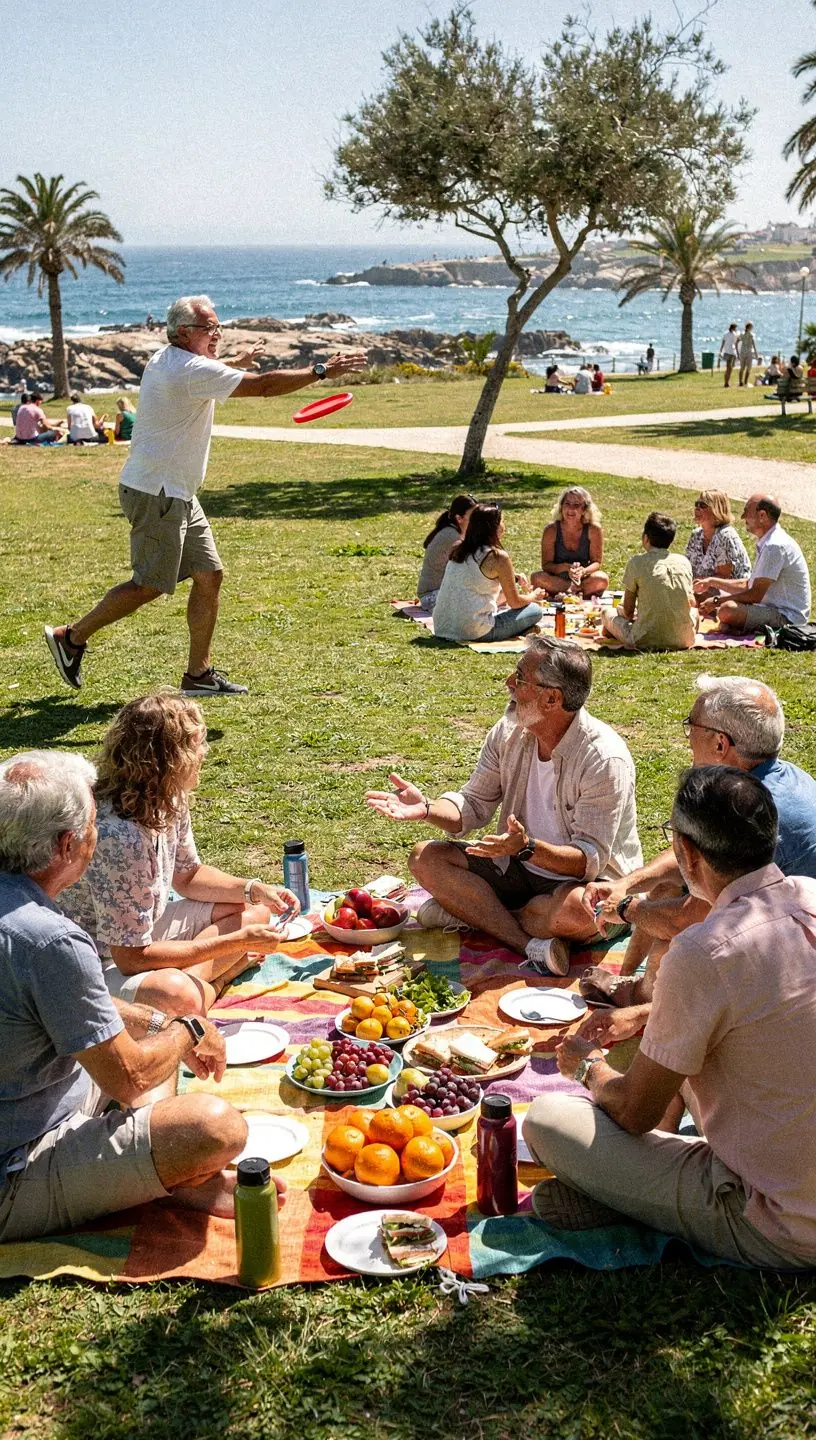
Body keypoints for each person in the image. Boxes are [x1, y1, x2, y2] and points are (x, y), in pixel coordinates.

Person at [523, 766, 816, 1271]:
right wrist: (642, 1013)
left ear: (688, 854)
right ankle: (629, 1190)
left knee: (549, 1121)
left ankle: (628, 1199)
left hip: (779, 1220)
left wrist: (585, 1065)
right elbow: (765, 1005)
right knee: (668, 1063)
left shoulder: (701, 952)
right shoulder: (809, 893)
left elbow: (636, 1112)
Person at [0, 750, 282, 1244]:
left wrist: (156, 1024)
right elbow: (130, 1080)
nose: (98, 835)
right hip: (17, 1167)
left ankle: (150, 1171)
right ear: (68, 845)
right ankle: (164, 1179)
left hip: (35, 1098)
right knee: (213, 1127)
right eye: (92, 825)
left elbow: (69, 1010)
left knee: (159, 1020)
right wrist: (188, 1030)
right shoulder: (49, 940)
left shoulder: (23, 919)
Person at [43, 294, 366, 696]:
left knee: (209, 575)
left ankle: (198, 674)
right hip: (158, 492)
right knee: (149, 586)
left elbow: (208, 373)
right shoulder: (190, 369)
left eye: (218, 326)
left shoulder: (168, 359)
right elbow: (264, 387)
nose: (217, 334)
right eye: (208, 328)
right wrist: (321, 370)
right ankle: (70, 638)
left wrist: (234, 363)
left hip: (174, 490)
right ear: (183, 333)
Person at [365, 637, 642, 976]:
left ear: (552, 697)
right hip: (516, 868)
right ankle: (527, 942)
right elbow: (473, 805)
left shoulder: (604, 759)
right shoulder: (510, 731)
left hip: (587, 883)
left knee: (580, 913)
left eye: (520, 678)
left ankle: (476, 912)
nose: (509, 683)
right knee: (427, 858)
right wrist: (425, 808)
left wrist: (526, 848)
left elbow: (586, 861)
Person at [581, 674, 816, 1016]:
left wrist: (626, 908)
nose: (688, 734)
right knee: (666, 890)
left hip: (791, 965)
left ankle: (648, 1004)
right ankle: (632, 985)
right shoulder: (775, 779)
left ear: (720, 744)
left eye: (692, 724)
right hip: (789, 929)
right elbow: (690, 854)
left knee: (677, 932)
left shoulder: (744, 810)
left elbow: (689, 918)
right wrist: (627, 884)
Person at [59, 693, 300, 1016]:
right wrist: (234, 945)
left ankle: (196, 985)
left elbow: (188, 877)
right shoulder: (120, 836)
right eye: (197, 744)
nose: (206, 751)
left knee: (254, 911)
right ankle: (213, 985)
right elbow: (131, 959)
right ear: (170, 759)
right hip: (97, 962)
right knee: (177, 994)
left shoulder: (169, 797)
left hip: (139, 934)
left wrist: (254, 889)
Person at [431, 502, 545, 644]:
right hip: (474, 631)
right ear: (494, 527)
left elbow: (474, 577)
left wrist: (513, 578)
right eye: (502, 522)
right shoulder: (498, 557)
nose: (504, 526)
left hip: (442, 627)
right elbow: (515, 602)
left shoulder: (459, 548)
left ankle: (522, 629)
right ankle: (523, 629)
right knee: (535, 610)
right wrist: (533, 596)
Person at [696, 494, 811, 632]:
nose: (742, 517)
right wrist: (712, 581)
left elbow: (755, 594)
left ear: (762, 516)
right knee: (723, 604)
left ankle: (737, 626)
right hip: (770, 608)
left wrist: (717, 601)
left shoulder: (774, 546)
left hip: (787, 617)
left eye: (746, 512)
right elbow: (749, 585)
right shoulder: (768, 542)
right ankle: (735, 626)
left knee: (727, 609)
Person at [602, 512, 696, 651]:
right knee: (695, 613)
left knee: (606, 613)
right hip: (684, 640)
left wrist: (619, 610)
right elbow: (691, 602)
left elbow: (628, 611)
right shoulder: (683, 562)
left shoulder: (637, 563)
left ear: (646, 538)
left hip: (643, 640)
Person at [531, 486, 609, 599]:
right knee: (536, 578)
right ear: (561, 507)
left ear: (584, 510)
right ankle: (574, 591)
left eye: (576, 505)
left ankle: (567, 592)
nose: (571, 509)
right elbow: (546, 565)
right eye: (567, 504)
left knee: (602, 579)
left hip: (583, 578)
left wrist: (583, 571)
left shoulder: (594, 530)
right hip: (558, 579)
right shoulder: (551, 530)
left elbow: (596, 562)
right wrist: (566, 568)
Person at [417, 493, 477, 611]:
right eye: (474, 517)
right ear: (459, 518)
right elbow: (475, 567)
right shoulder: (452, 537)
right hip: (432, 597)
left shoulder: (453, 531)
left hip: (440, 593)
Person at [684, 490, 751, 582]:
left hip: (728, 592)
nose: (697, 508)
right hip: (700, 589)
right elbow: (686, 567)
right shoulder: (696, 535)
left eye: (703, 505)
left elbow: (723, 578)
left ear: (717, 510)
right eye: (697, 504)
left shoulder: (726, 536)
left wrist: (693, 584)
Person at [737, 322, 759, 387]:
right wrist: (756, 353)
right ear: (750, 327)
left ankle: (740, 382)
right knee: (748, 368)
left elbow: (737, 342)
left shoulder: (742, 334)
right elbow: (754, 345)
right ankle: (745, 382)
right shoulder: (751, 335)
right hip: (749, 352)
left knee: (742, 368)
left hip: (742, 351)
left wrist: (737, 351)